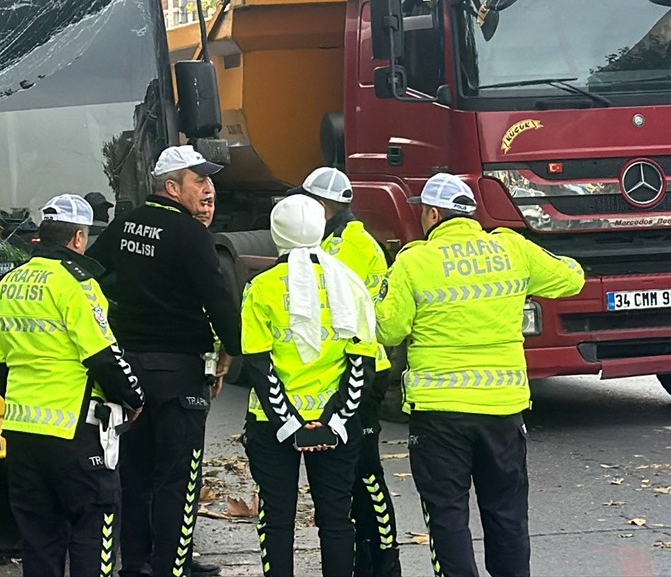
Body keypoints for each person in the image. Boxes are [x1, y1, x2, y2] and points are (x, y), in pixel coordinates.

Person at [376, 173, 585, 577]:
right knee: (506, 512)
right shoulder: (511, 248)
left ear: (433, 214)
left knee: (448, 515)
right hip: (502, 411)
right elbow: (571, 279)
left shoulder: (415, 260)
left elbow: (388, 329)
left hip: (439, 415)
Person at [88, 145, 243, 577]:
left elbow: (92, 273)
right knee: (177, 477)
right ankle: (172, 566)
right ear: (172, 188)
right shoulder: (189, 234)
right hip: (178, 373)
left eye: (210, 179)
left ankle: (135, 564)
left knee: (135, 474)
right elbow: (220, 300)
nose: (209, 187)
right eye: (200, 179)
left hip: (130, 372)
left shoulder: (124, 225)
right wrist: (232, 350)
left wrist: (121, 309)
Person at [0, 193, 145, 577]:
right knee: (95, 530)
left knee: (39, 538)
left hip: (22, 433)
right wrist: (134, 396)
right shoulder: (78, 284)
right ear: (78, 238)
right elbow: (104, 355)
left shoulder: (8, 284)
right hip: (75, 430)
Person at [242, 193, 379, 577]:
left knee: (277, 521)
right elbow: (361, 365)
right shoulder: (350, 284)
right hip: (338, 423)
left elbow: (257, 365)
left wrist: (291, 424)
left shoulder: (261, 288)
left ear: (276, 233)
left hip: (273, 426)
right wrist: (334, 422)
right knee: (337, 520)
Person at [300, 167, 401, 577]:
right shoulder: (341, 239)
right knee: (355, 475)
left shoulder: (349, 245)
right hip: (355, 366)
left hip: (364, 368)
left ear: (323, 205)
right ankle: (367, 558)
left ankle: (383, 559)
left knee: (366, 472)